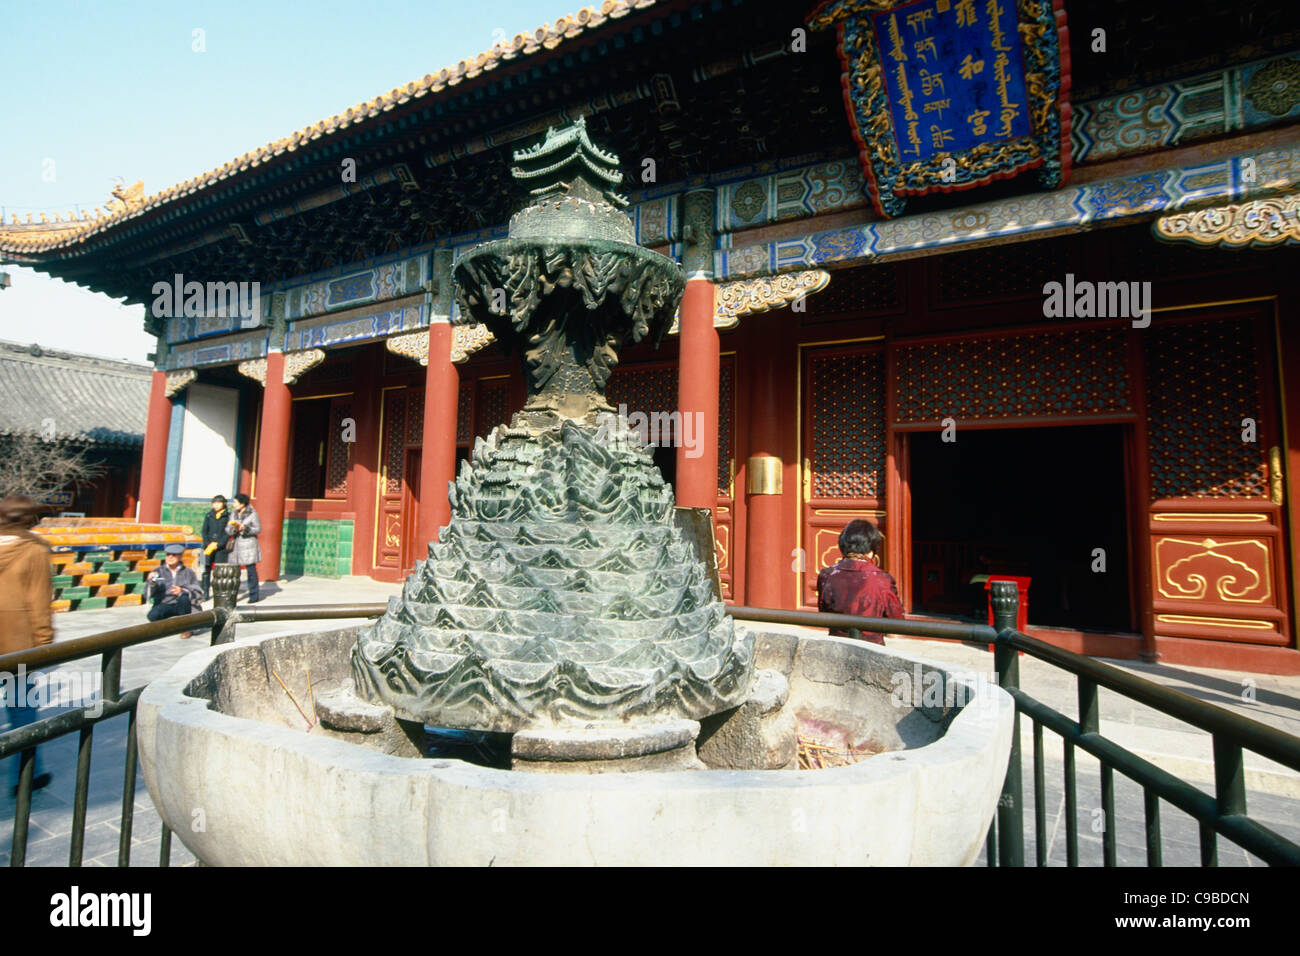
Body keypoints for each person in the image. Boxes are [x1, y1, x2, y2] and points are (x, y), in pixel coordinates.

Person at [0, 496, 54, 794]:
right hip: (17, 644)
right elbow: (39, 605)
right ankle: (24, 776)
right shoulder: (34, 551)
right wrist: (44, 645)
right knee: (21, 709)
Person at [816, 518, 903, 644]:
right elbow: (896, 618)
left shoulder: (827, 575)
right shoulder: (882, 579)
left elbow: (824, 611)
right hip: (871, 649)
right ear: (871, 550)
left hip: (837, 646)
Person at [146, 544, 203, 629]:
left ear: (180, 557)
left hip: (184, 605)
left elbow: (198, 592)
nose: (170, 557)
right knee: (152, 615)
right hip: (165, 603)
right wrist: (152, 582)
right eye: (168, 555)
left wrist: (182, 590)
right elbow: (148, 594)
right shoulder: (158, 572)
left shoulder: (188, 572)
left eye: (174, 555)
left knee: (184, 598)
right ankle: (168, 625)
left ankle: (186, 629)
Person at [226, 493, 262, 604]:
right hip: (236, 545)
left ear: (242, 503)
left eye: (236, 502)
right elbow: (227, 529)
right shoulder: (233, 514)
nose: (234, 504)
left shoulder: (252, 514)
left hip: (248, 545)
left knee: (251, 570)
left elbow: (257, 529)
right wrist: (234, 529)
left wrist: (244, 528)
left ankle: (254, 595)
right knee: (234, 572)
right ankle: (232, 595)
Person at [199, 494, 230, 601]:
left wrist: (219, 544)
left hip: (221, 548)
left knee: (219, 571)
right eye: (214, 503)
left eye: (218, 503)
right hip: (207, 546)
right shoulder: (208, 515)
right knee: (205, 569)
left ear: (224, 504)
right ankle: (205, 592)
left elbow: (227, 533)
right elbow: (204, 531)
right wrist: (208, 543)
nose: (216, 505)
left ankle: (219, 593)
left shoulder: (228, 516)